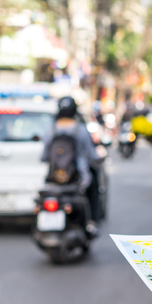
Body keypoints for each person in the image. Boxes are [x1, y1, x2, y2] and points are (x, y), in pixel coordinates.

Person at [42, 96, 101, 225]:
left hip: (53, 177)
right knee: (94, 186)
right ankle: (92, 222)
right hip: (79, 177)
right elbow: (91, 154)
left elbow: (44, 156)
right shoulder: (80, 129)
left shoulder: (50, 129)